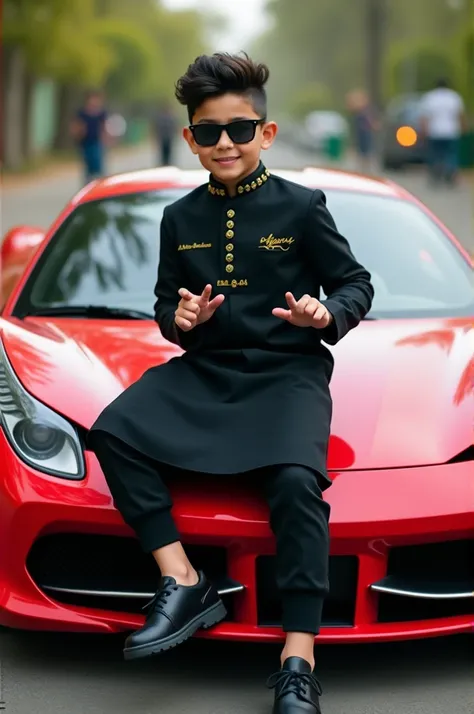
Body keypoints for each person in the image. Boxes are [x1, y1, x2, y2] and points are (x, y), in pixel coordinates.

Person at [88, 52, 374, 714]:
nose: (224, 143)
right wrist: (179, 319)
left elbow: (356, 284)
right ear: (189, 138)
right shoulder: (179, 218)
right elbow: (166, 306)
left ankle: (297, 658)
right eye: (209, 131)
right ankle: (182, 578)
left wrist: (326, 313)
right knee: (112, 431)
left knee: (297, 484)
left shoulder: (303, 207)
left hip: (289, 374)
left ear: (265, 134)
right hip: (208, 371)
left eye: (239, 129)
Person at [420, 78, 466, 185]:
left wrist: (424, 130)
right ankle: (450, 173)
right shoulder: (454, 97)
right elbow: (460, 115)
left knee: (435, 155)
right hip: (451, 132)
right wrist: (463, 128)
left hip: (434, 131)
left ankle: (436, 174)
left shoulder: (430, 97)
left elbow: (424, 117)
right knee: (450, 155)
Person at [70, 90, 108, 184]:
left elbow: (104, 127)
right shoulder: (82, 113)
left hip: (97, 142)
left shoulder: (100, 113)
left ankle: (98, 183)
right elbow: (76, 126)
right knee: (88, 166)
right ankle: (89, 184)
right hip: (85, 142)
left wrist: (106, 138)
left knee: (98, 164)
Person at [346, 89, 379, 174]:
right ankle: (364, 171)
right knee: (364, 155)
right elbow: (370, 124)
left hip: (364, 136)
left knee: (365, 155)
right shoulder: (362, 113)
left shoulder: (362, 113)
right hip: (363, 136)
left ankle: (364, 171)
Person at [154, 102, 179, 166]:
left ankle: (167, 163)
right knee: (164, 152)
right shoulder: (163, 117)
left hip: (168, 137)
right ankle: (165, 163)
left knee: (167, 151)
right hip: (164, 137)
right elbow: (157, 127)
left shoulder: (169, 117)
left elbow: (174, 126)